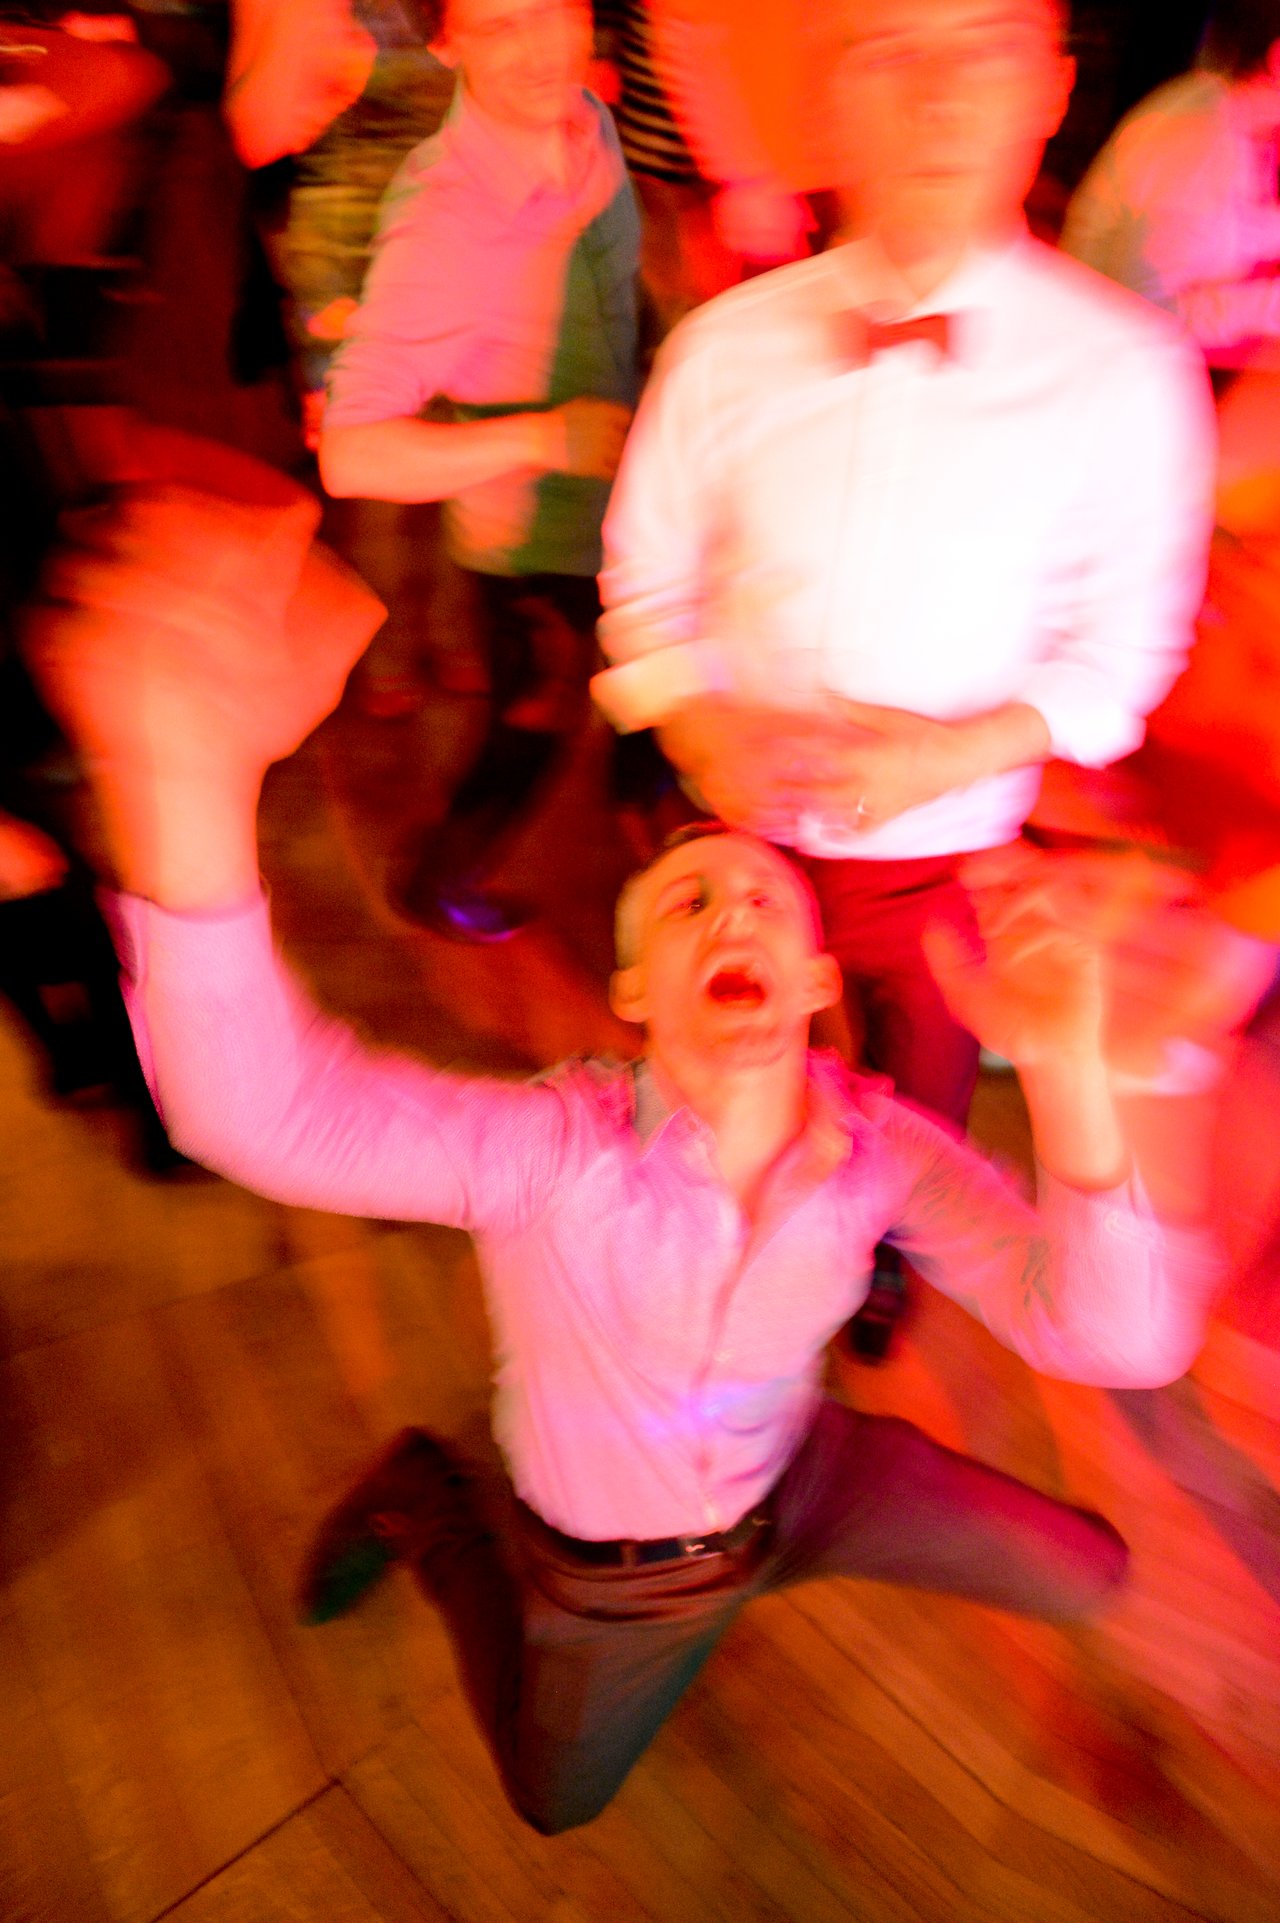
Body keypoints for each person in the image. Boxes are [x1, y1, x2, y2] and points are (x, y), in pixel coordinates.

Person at [25, 474, 1223, 1837]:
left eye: (763, 899)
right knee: (556, 1791)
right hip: (612, 1574)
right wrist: (186, 774)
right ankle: (432, 1496)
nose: (732, 915)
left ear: (816, 975)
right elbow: (261, 1110)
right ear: (637, 987)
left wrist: (1070, 1060)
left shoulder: (888, 1152)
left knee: (1088, 1563)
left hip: (806, 1474)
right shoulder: (554, 1151)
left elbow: (1111, 1337)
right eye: (687, 902)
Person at [592, 0, 1217, 1352]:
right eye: (893, 55)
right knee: (723, 1115)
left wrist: (945, 755)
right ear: (834, 98)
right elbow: (643, 587)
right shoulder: (724, 348)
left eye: (983, 52)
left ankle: (874, 1273)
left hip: (944, 868)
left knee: (914, 1120)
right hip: (733, 854)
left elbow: (1125, 657)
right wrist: (700, 730)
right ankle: (721, 1298)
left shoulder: (1126, 372)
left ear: (1049, 88)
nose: (940, 99)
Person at [319, 0, 639, 941]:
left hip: (621, 513)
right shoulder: (445, 218)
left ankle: (649, 828)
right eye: (499, 23)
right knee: (534, 722)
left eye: (554, 10)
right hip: (532, 544)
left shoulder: (587, 114)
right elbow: (352, 451)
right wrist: (545, 440)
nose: (540, 47)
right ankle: (443, 879)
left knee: (613, 690)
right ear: (446, 40)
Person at [1060, 0, 1280, 370]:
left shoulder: (1226, 114)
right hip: (1094, 371)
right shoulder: (1196, 138)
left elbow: (1223, 228)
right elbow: (1144, 316)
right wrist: (1267, 306)